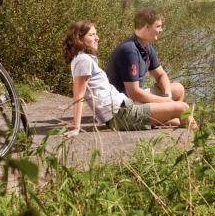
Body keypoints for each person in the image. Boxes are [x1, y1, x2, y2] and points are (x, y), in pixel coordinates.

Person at [62, 20, 195, 135]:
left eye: (96, 34)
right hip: (120, 115)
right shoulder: (83, 61)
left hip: (124, 108)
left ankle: (189, 138)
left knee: (177, 121)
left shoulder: (84, 59)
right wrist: (76, 127)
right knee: (182, 108)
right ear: (79, 38)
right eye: (92, 35)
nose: (97, 38)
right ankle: (201, 148)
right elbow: (78, 95)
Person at [106, 8, 186, 105]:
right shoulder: (129, 50)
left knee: (179, 89)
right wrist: (165, 102)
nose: (161, 30)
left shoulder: (146, 46)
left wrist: (167, 95)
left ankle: (170, 114)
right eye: (158, 26)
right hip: (125, 104)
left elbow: (161, 75)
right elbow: (134, 94)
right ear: (147, 27)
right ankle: (171, 116)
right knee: (177, 117)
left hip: (136, 98)